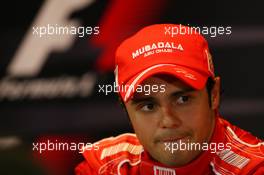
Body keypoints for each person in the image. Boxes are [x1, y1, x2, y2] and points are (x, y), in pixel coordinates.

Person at [75, 24, 264, 175]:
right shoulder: (106, 167)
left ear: (213, 95)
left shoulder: (253, 168)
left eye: (182, 99)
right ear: (125, 109)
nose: (168, 120)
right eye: (149, 105)